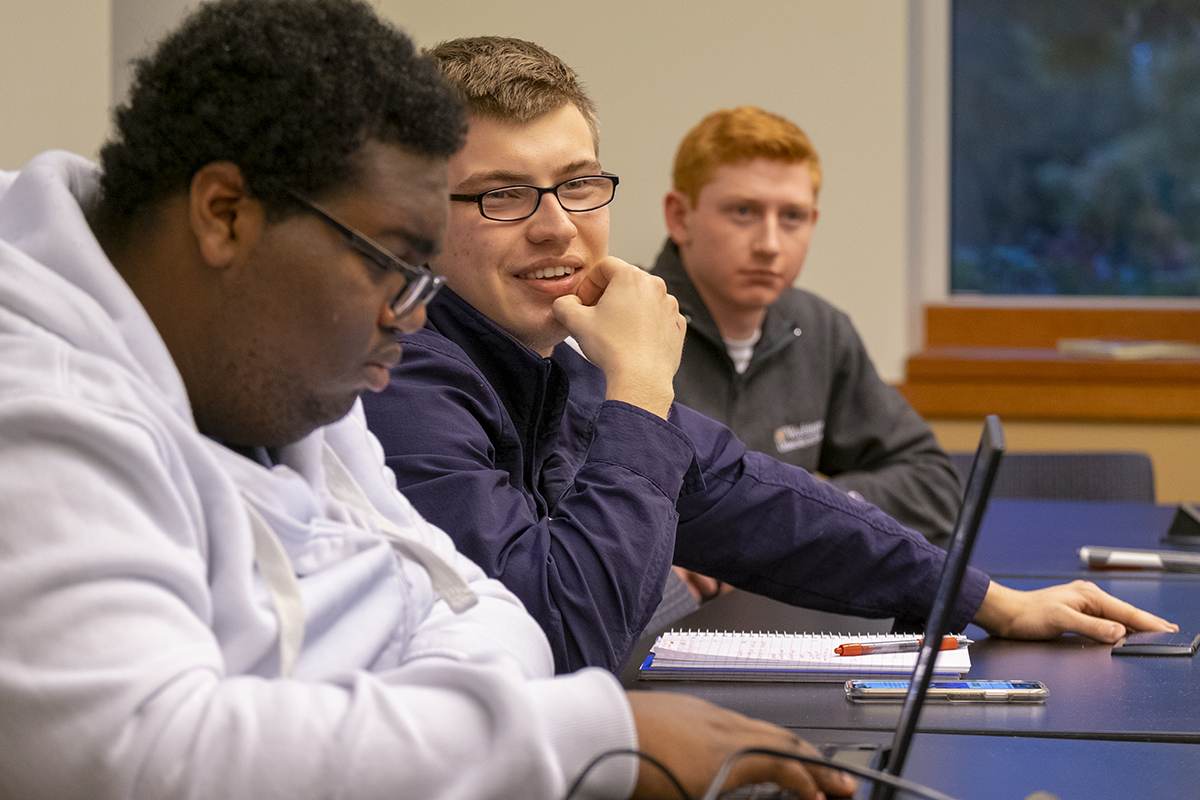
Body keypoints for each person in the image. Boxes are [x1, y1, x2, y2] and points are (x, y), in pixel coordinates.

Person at [0, 3, 863, 799]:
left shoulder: (278, 367)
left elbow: (463, 606)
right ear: (226, 215)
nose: (411, 317)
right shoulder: (39, 407)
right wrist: (587, 739)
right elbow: (134, 753)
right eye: (390, 263)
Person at [360, 35, 1176, 678]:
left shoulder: (552, 365)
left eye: (577, 184)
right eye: (502, 195)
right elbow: (559, 640)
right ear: (417, 216)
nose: (558, 227)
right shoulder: (398, 377)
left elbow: (752, 499)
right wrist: (639, 386)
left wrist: (988, 601)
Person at [655, 105, 960, 550]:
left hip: (788, 584)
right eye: (743, 211)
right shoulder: (618, 326)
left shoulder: (820, 330)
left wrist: (815, 508)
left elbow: (933, 484)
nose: (770, 244)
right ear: (680, 217)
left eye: (792, 217)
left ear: (813, 222)